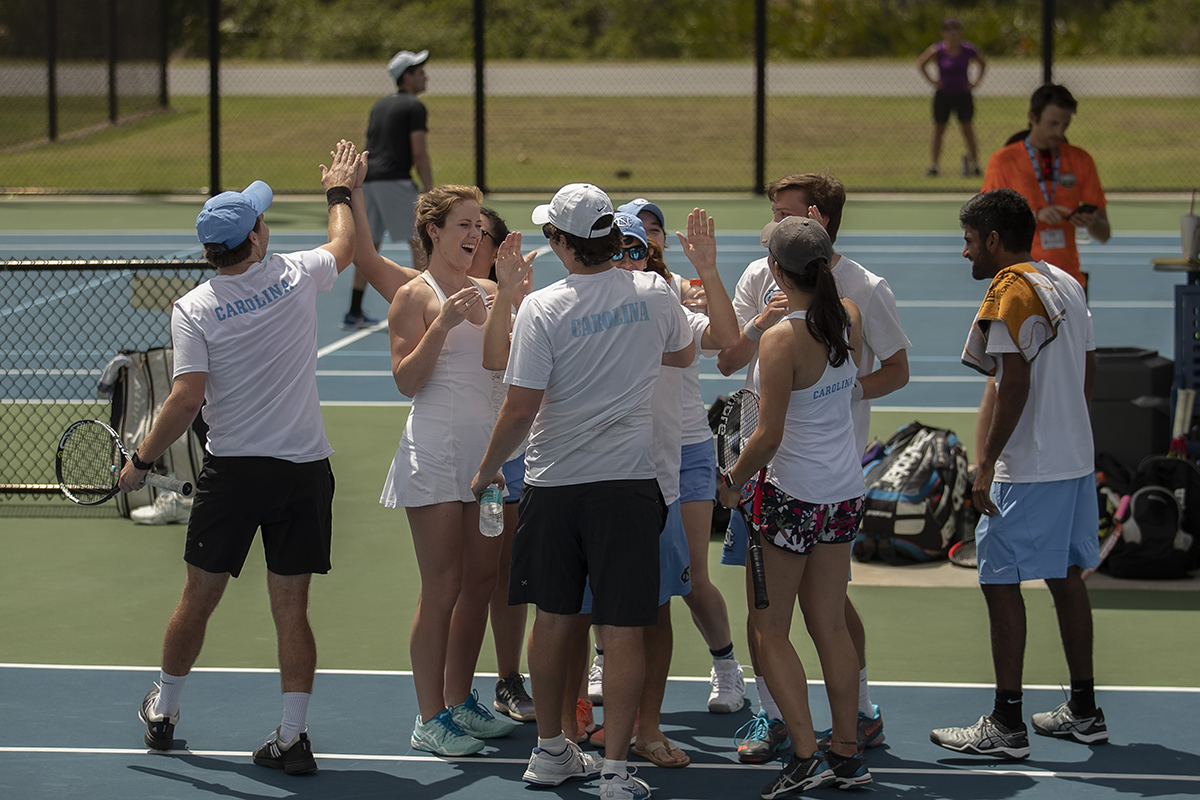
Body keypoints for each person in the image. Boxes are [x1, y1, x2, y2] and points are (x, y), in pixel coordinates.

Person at [121, 140, 362, 774]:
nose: (267, 225)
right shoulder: (295, 273)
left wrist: (141, 462)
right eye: (262, 220)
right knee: (292, 608)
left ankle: (165, 711)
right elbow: (344, 243)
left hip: (232, 477)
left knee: (197, 599)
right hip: (304, 471)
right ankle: (292, 735)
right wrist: (339, 189)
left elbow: (184, 398)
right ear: (254, 240)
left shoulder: (193, 309)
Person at [471, 183, 694, 799]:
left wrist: (487, 469)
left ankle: (550, 752)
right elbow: (684, 352)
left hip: (553, 486)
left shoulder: (543, 307)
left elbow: (519, 408)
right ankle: (617, 773)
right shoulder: (655, 292)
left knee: (553, 620)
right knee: (624, 629)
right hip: (628, 488)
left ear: (563, 243)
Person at [717, 172, 910, 762]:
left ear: (779, 268)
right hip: (842, 494)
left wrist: (731, 483)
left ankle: (802, 752)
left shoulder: (785, 337)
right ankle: (846, 748)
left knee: (769, 626)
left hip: (786, 495)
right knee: (828, 624)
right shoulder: (845, 311)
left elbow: (768, 435)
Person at [931, 188, 1104, 759]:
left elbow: (1014, 386)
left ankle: (1007, 725)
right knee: (1067, 575)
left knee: (999, 580)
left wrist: (985, 469)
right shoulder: (1067, 282)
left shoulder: (1009, 291)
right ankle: (1085, 711)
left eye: (969, 241)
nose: (965, 253)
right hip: (1075, 460)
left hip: (1027, 469)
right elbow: (1088, 372)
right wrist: (1067, 430)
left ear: (994, 241)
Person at [590, 198, 747, 717]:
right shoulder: (583, 303)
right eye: (619, 246)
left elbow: (725, 340)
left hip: (683, 450)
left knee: (690, 579)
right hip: (620, 456)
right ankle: (603, 658)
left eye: (641, 242)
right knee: (609, 577)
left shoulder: (669, 299)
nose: (630, 253)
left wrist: (707, 270)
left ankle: (726, 665)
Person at [380, 184, 520, 757]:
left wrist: (509, 295)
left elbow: (505, 362)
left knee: (480, 583)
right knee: (441, 587)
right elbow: (406, 382)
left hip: (485, 458)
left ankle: (460, 701)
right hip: (434, 455)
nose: (472, 236)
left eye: (477, 227)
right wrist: (440, 326)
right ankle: (428, 716)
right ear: (434, 232)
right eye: (462, 225)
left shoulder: (491, 288)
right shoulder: (414, 296)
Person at [981, 83, 1110, 292]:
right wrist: (1035, 215)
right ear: (1033, 117)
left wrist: (1091, 222)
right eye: (1052, 124)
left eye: (1065, 124)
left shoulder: (1081, 160)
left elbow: (1104, 234)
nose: (1059, 132)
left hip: (1068, 282)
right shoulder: (1002, 161)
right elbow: (986, 226)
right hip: (1018, 282)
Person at [343, 49, 434, 329]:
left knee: (369, 247)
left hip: (368, 181)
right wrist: (430, 192)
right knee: (420, 240)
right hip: (394, 181)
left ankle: (354, 311)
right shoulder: (414, 107)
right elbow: (419, 152)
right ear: (407, 77)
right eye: (419, 72)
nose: (425, 76)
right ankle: (429, 306)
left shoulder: (379, 105)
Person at [918, 17, 987, 177]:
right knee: (939, 130)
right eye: (949, 31)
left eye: (956, 31)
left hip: (963, 95)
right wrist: (933, 81)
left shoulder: (968, 50)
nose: (953, 34)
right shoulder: (938, 50)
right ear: (944, 33)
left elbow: (983, 63)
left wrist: (975, 83)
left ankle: (975, 164)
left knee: (967, 129)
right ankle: (934, 165)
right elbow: (921, 63)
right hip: (944, 95)